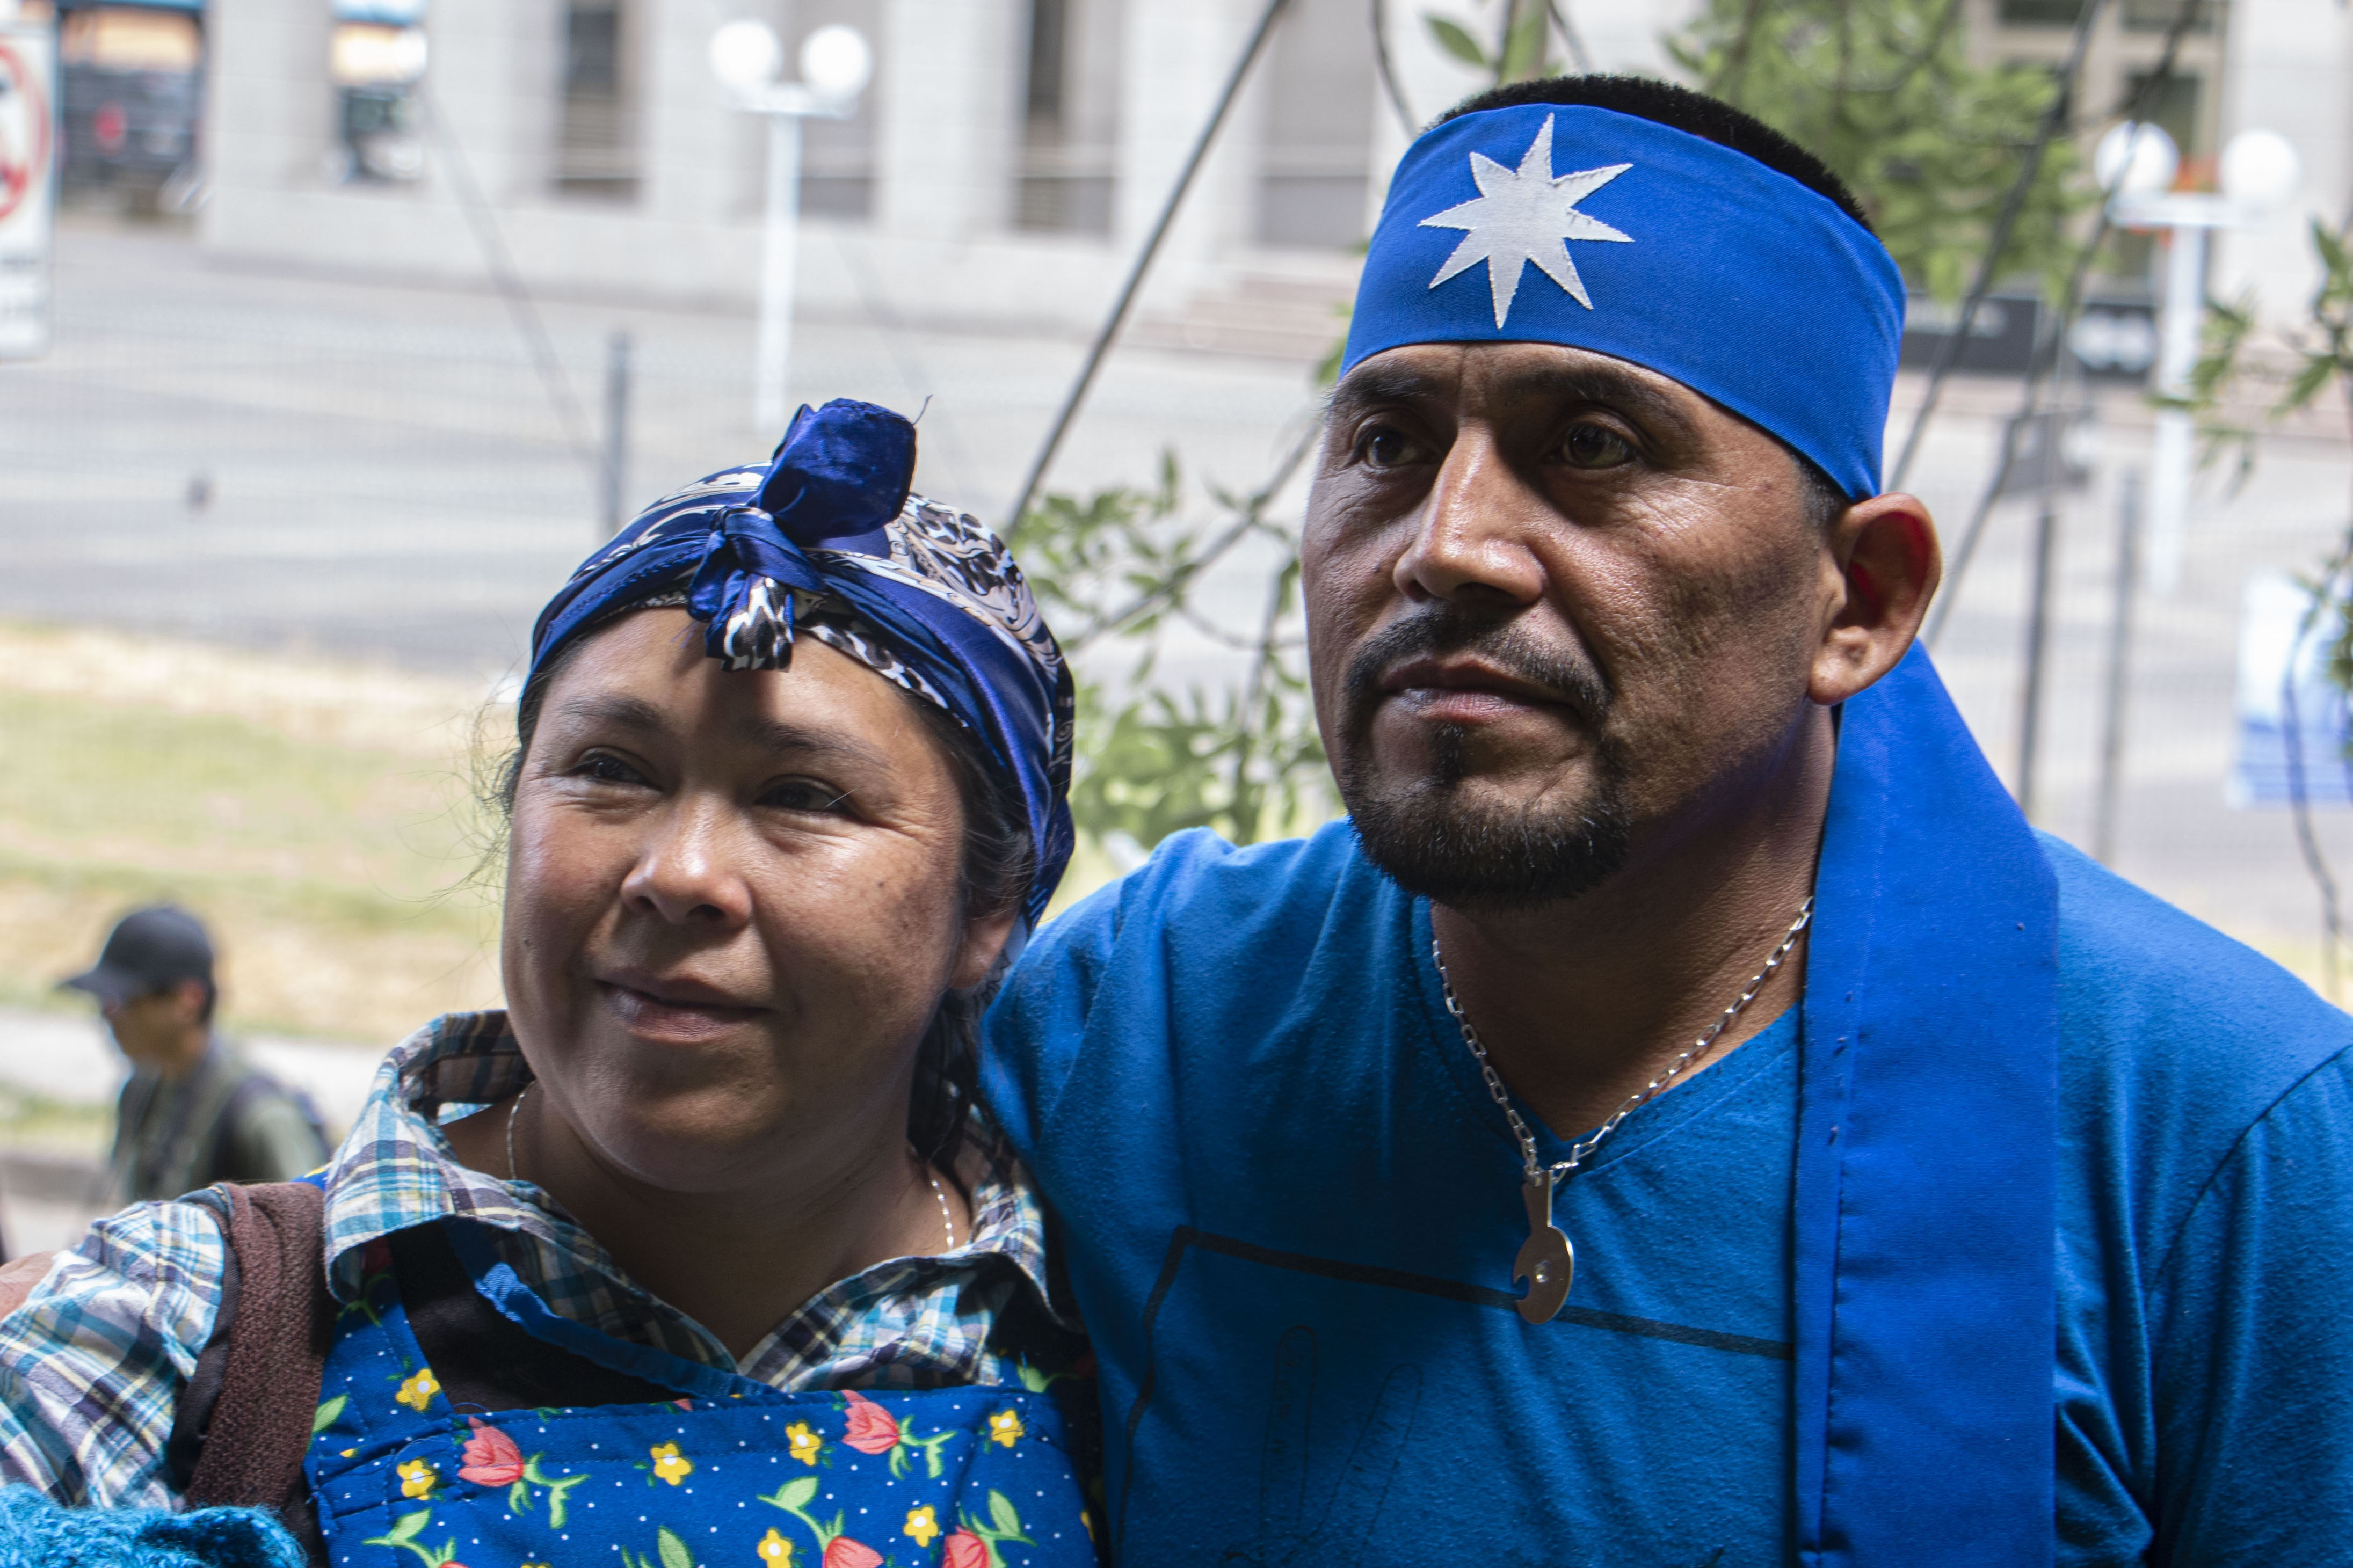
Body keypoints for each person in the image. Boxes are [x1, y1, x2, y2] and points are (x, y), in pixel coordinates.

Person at [980, 76, 2353, 1565]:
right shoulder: (1134, 1025)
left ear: (1862, 600)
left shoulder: (2207, 1133)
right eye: (1385, 442)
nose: (1445, 547)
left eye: (1592, 446)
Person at [0, 400, 1099, 1568]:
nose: (677, 874)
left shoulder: (1131, 1358)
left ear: (987, 909)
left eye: (805, 795)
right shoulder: (184, 1330)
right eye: (610, 770)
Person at [59, 905, 328, 1202]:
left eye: (123, 1000)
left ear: (188, 1001)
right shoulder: (141, 1090)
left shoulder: (259, 1117)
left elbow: (311, 1231)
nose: (107, 1016)